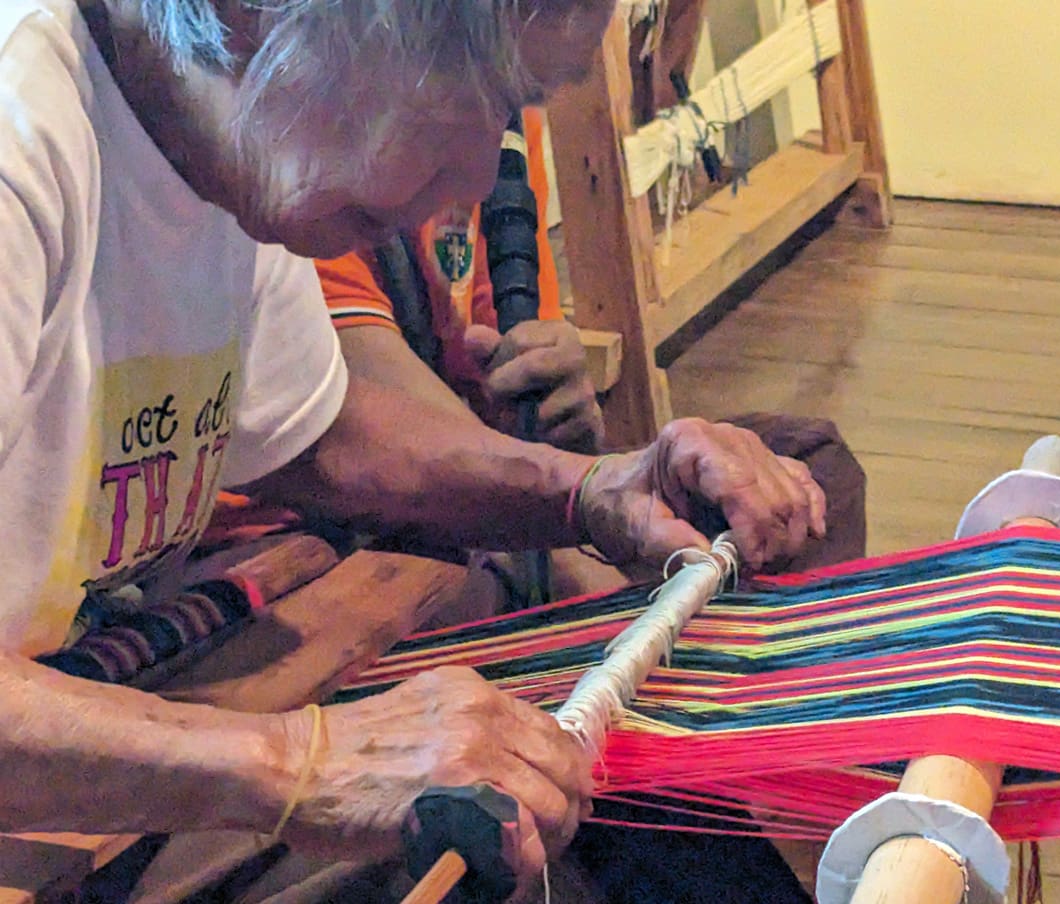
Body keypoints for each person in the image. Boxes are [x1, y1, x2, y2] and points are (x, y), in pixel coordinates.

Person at [0, 0, 831, 896]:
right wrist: (295, 764)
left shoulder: (223, 139)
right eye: (472, 88)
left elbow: (322, 432)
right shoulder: (24, 139)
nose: (480, 172)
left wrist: (593, 493)